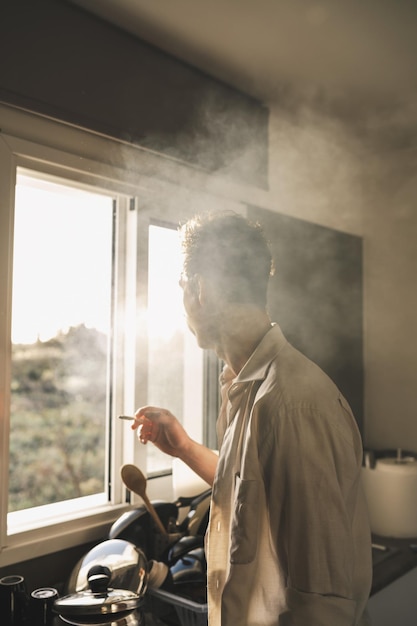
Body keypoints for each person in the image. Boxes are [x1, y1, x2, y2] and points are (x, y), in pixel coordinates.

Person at [132, 211, 372, 626]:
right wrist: (185, 448)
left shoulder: (293, 406)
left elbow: (322, 603)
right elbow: (252, 498)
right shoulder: (246, 388)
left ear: (202, 289)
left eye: (183, 288)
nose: (183, 305)